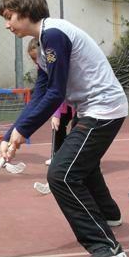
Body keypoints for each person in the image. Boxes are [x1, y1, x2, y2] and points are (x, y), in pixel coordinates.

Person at [0, 0, 129, 257]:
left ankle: (105, 245)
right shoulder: (44, 41)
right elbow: (41, 93)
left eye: (9, 17)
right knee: (84, 165)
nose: (7, 24)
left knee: (61, 175)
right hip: (91, 109)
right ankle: (109, 214)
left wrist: (23, 132)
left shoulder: (54, 34)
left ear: (25, 11)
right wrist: (11, 134)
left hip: (103, 109)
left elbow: (56, 93)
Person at [27, 37, 76, 166]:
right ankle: (57, 156)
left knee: (77, 131)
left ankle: (81, 159)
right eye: (32, 58)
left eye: (37, 57)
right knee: (58, 128)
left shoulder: (55, 64)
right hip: (64, 101)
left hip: (75, 100)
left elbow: (57, 89)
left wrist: (56, 115)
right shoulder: (42, 67)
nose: (36, 61)